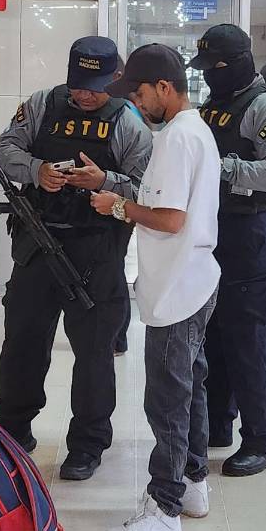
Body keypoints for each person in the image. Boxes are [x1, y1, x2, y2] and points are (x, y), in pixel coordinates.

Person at [0, 36, 152, 482]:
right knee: (22, 343)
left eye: (96, 85)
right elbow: (6, 150)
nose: (86, 93)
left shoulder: (129, 122)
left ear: (115, 78)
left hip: (96, 254)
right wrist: (37, 171)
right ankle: (14, 429)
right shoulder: (41, 104)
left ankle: (87, 443)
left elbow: (149, 190)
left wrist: (105, 180)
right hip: (36, 247)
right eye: (79, 83)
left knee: (95, 353)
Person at [92, 43, 219, 531]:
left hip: (177, 288)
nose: (138, 104)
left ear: (165, 88)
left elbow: (170, 218)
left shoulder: (176, 140)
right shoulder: (194, 132)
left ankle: (164, 509)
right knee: (191, 387)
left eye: (141, 94)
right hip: (195, 279)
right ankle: (192, 485)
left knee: (167, 400)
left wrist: (118, 206)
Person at [192, 25, 266, 477]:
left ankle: (262, 439)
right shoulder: (213, 105)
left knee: (249, 341)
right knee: (214, 335)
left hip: (253, 233)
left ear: (232, 65)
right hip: (215, 233)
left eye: (213, 69)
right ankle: (218, 424)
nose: (208, 79)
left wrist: (220, 167)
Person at [112, 56, 142, 358]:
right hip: (117, 203)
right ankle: (116, 337)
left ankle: (118, 338)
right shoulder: (127, 107)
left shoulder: (124, 111)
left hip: (119, 204)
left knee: (113, 270)